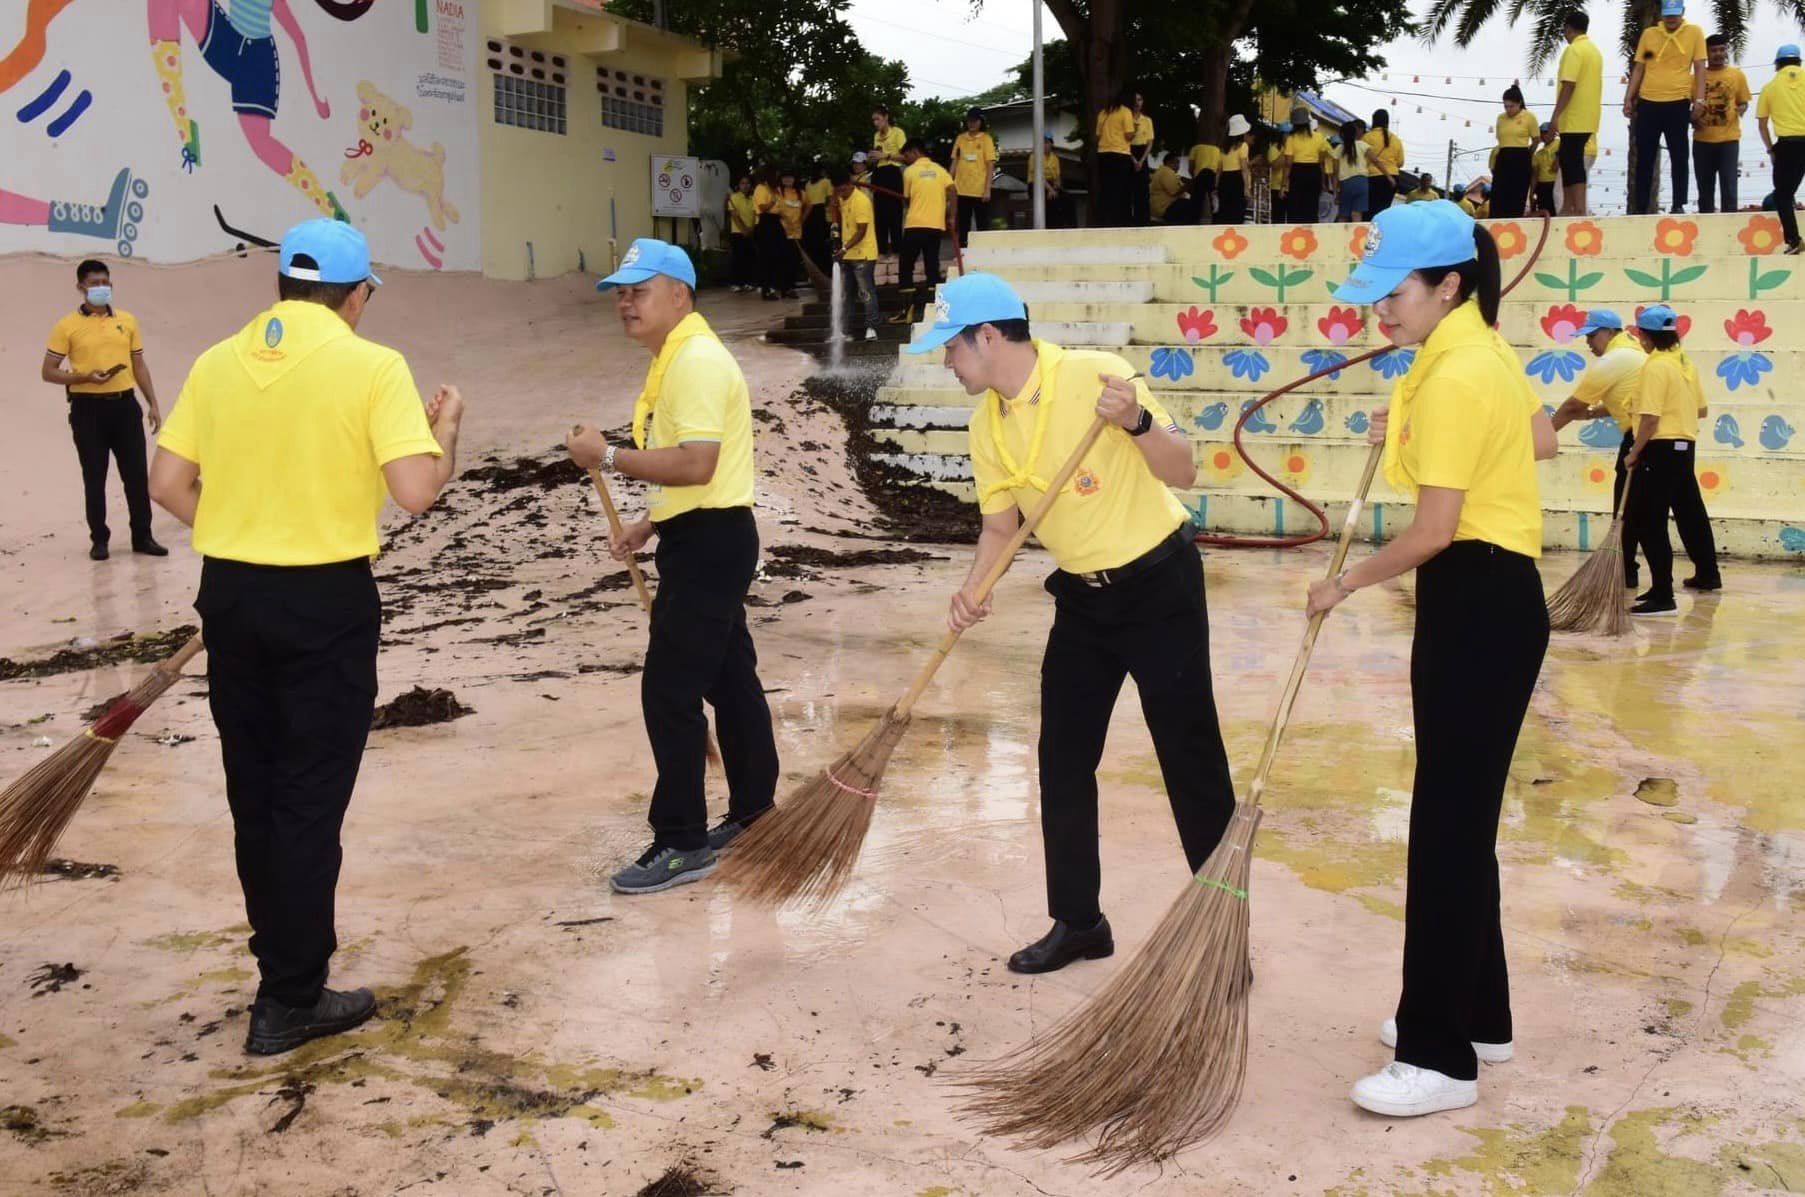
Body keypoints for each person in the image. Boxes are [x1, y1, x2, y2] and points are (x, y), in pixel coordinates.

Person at [148, 219, 463, 1054]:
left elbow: (167, 482)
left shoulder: (219, 360)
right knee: (307, 800)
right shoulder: (373, 365)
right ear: (357, 294)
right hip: (324, 603)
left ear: (286, 286)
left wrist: (246, 533)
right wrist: (449, 431)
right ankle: (291, 996)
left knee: (255, 793)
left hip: (232, 595)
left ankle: (280, 971)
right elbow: (416, 492)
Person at [908, 273, 1236, 976]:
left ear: (988, 336)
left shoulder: (1096, 376)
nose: (946, 362)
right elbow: (1000, 526)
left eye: (951, 348)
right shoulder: (986, 422)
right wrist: (973, 589)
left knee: (1190, 761)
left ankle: (1221, 934)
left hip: (1159, 584)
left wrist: (1137, 423)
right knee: (1061, 758)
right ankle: (1079, 922)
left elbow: (1184, 469)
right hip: (1083, 600)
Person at [1314, 200, 1558, 1119]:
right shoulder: (1470, 352)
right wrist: (1410, 435)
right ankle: (1481, 1013)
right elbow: (1535, 438)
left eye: (1393, 292)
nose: (1379, 310)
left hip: (1476, 597)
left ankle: (1438, 1053)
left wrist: (1342, 584)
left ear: (1447, 285)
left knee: (1443, 829)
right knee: (1461, 820)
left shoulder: (1456, 372)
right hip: (1485, 598)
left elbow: (1431, 529)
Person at [564, 238, 780, 892]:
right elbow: (694, 472)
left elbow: (697, 462)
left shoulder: (695, 362)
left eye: (639, 290)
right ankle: (752, 811)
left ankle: (682, 839)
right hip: (702, 533)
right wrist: (649, 523)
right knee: (728, 678)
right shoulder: (676, 358)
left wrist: (607, 458)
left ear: (679, 294)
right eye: (620, 293)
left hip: (711, 541)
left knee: (669, 689)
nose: (625, 302)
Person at [147, 0, 344, 219]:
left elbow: (298, 37)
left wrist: (315, 96)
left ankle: (327, 204)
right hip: (228, 41)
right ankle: (186, 129)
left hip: (256, 62)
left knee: (261, 145)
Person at [43, 259, 169, 561]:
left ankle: (143, 536)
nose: (101, 288)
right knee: (95, 477)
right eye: (94, 283)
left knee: (136, 476)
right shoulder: (66, 326)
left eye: (105, 283)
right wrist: (84, 377)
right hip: (87, 410)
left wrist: (152, 402)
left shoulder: (126, 320)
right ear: (80, 287)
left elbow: (138, 363)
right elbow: (48, 371)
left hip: (125, 406)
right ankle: (99, 539)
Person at [1623, 304, 1721, 614]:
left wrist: (1634, 452)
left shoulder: (1655, 366)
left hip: (1660, 448)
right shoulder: (1684, 365)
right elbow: (1701, 410)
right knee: (1690, 511)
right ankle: (1708, 573)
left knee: (1649, 520)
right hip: (1684, 447)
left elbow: (1650, 419)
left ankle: (1662, 593)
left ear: (1645, 337)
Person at [1551, 310, 1647, 589]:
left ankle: (1626, 571)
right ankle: (1703, 572)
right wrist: (1594, 414)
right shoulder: (1633, 352)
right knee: (1655, 510)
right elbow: (1627, 400)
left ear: (1609, 331)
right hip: (1654, 435)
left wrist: (1538, 436)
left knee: (1627, 509)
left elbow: (1572, 406)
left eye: (1592, 336)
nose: (1589, 342)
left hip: (1639, 437)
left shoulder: (1614, 359)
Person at [1626, 0, 1707, 215]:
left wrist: (1699, 99)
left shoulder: (1695, 33)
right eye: (1667, 15)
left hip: (1678, 101)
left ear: (1682, 12)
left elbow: (1700, 68)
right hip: (1648, 101)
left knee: (1679, 154)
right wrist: (1628, 97)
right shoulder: (1649, 34)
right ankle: (1641, 205)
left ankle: (1678, 203)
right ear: (1661, 14)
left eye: (1675, 14)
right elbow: (1639, 68)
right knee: (1645, 156)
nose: (1671, 19)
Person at [894, 140, 956, 325]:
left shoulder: (910, 171)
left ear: (914, 152)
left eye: (906, 156)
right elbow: (953, 191)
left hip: (914, 225)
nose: (905, 160)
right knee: (932, 267)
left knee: (906, 267)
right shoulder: (940, 170)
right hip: (935, 227)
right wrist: (951, 216)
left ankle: (908, 311)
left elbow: (907, 199)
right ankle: (934, 310)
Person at [1552, 10, 1604, 216]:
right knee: (1568, 159)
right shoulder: (1594, 51)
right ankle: (1568, 206)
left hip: (1573, 116)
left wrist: (1556, 115)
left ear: (1569, 28)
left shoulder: (1574, 50)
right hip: (1588, 116)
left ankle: (1579, 208)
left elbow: (1569, 85)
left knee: (1572, 162)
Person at [1694, 34, 1751, 213]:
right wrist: (1692, 117)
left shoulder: (1737, 75)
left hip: (1729, 140)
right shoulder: (1696, 77)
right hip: (1702, 141)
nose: (1718, 54)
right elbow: (1686, 106)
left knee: (1729, 187)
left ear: (1726, 51)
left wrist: (1739, 111)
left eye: (1722, 49)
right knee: (1704, 191)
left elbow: (1743, 101)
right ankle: (1705, 227)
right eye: (1713, 50)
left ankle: (1731, 228)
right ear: (1706, 53)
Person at [1758, 44, 1805, 252]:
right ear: (1799, 62)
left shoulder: (1770, 87)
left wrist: (1771, 150)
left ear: (1777, 65)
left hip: (1787, 145)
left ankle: (1794, 240)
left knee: (1783, 195)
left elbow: (1762, 123)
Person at [831, 166, 881, 340]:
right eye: (838, 190)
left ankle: (872, 328)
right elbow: (836, 215)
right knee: (847, 295)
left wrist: (844, 248)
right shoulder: (840, 198)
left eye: (843, 189)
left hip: (863, 254)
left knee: (865, 292)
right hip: (847, 254)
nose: (841, 193)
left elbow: (861, 231)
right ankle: (844, 331)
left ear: (850, 184)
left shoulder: (861, 200)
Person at [952, 108, 998, 248]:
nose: (971, 123)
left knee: (982, 223)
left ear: (980, 121)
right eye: (969, 120)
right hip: (961, 188)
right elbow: (954, 162)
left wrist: (987, 189)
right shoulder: (960, 139)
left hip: (979, 189)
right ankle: (962, 252)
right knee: (963, 224)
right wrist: (948, 184)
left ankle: (983, 250)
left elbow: (990, 164)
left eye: (975, 120)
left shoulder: (986, 139)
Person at [1491, 86, 1539, 218]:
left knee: (1517, 193)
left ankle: (1515, 220)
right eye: (1505, 106)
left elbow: (1536, 138)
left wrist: (1528, 154)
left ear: (1519, 103)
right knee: (1498, 193)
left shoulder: (1529, 117)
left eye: (1511, 106)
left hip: (1521, 156)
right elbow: (1500, 139)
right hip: (1503, 156)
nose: (1508, 110)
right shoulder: (1501, 118)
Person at [1095, 90, 1138, 227]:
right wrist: (1135, 129)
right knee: (1121, 188)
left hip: (1103, 154)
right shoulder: (1125, 112)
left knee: (1106, 188)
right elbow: (1129, 136)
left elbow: (1097, 136)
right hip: (1120, 154)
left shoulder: (1103, 113)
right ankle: (1119, 220)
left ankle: (1103, 220)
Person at [1282, 108, 1332, 223]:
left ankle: (1294, 234)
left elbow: (1288, 164)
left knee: (1295, 206)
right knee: (1312, 206)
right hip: (1314, 172)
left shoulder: (1291, 138)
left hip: (1297, 172)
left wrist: (1283, 185)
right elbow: (1321, 161)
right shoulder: (1319, 137)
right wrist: (1323, 182)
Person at [870, 106, 907, 256]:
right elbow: (877, 155)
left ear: (886, 117)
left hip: (893, 172)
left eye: (878, 119)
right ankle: (882, 250)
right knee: (880, 215)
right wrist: (872, 158)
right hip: (879, 173)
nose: (876, 123)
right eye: (873, 120)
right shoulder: (876, 136)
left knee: (894, 215)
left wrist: (885, 156)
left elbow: (905, 156)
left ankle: (898, 250)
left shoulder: (898, 133)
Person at [1365, 108, 1406, 214]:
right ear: (1387, 122)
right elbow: (1400, 163)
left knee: (1369, 211)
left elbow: (1362, 159)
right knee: (1383, 211)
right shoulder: (1396, 139)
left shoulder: (1367, 137)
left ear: (1374, 121)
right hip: (1392, 179)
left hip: (1372, 177)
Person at [751, 167, 783, 301]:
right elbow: (762, 207)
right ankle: (765, 288)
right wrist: (773, 201)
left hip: (776, 220)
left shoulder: (774, 189)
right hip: (766, 222)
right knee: (766, 256)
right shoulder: (761, 188)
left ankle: (773, 285)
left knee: (775, 255)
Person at [801, 162, 835, 287]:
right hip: (815, 214)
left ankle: (824, 272)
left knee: (820, 245)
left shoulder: (819, 182)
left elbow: (830, 199)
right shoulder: (813, 183)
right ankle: (819, 273)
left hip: (817, 214)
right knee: (816, 245)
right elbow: (829, 199)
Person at [774, 167, 805, 300]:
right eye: (785, 177)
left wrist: (802, 219)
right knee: (782, 260)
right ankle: (782, 287)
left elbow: (809, 205)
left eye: (790, 177)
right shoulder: (777, 192)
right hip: (782, 232)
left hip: (796, 233)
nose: (788, 180)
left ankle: (791, 288)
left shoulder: (801, 193)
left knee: (794, 261)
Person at [1217, 115, 1252, 224]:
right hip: (1237, 180)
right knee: (1237, 213)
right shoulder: (1243, 146)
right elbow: (1244, 169)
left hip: (1224, 180)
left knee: (1224, 212)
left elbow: (1219, 169)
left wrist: (1216, 186)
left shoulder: (1222, 148)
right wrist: (1246, 188)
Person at [725, 176, 757, 293]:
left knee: (749, 258)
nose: (745, 185)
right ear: (739, 185)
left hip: (751, 232)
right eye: (743, 183)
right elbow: (734, 215)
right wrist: (743, 229)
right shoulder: (734, 197)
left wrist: (751, 228)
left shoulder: (754, 198)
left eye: (747, 183)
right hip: (737, 232)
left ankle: (748, 282)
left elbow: (755, 214)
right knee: (738, 258)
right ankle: (735, 283)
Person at [1337, 120, 1371, 222]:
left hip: (1345, 183)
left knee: (1343, 215)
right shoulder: (1363, 145)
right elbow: (1376, 161)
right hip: (1362, 182)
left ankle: (1339, 237)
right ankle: (1358, 237)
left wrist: (1335, 191)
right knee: (1356, 214)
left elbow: (1334, 172)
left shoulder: (1339, 148)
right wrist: (1388, 176)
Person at [1188, 136, 1221, 225]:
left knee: (1196, 199)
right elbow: (1219, 169)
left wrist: (1194, 176)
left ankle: (1193, 221)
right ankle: (1215, 221)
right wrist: (1216, 183)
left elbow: (1191, 166)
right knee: (1213, 198)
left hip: (1200, 174)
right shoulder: (1217, 150)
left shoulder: (1195, 148)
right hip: (1212, 174)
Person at [1040, 133, 1068, 228]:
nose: (1045, 145)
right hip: (1037, 184)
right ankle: (1050, 227)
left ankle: (1067, 227)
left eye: (1047, 143)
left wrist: (1055, 188)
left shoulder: (1055, 158)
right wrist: (1050, 190)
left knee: (1067, 198)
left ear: (1051, 144)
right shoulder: (1035, 156)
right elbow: (1039, 176)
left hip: (1052, 184)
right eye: (1043, 143)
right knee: (1050, 200)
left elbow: (1057, 177)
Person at [1532, 125, 1561, 213]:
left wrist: (1558, 158)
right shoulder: (1539, 154)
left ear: (1553, 133)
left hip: (1557, 184)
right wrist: (1531, 193)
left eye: (1546, 132)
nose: (1544, 135)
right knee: (1544, 212)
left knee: (1557, 211)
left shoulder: (1560, 144)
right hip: (1542, 187)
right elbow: (1535, 175)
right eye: (1541, 133)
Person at [1149, 151, 1186, 223]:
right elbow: (1174, 191)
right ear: (1169, 162)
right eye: (1176, 162)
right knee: (1190, 205)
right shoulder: (1166, 172)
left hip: (1157, 208)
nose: (1178, 166)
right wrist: (1187, 186)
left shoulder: (1161, 171)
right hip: (1164, 208)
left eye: (1178, 163)